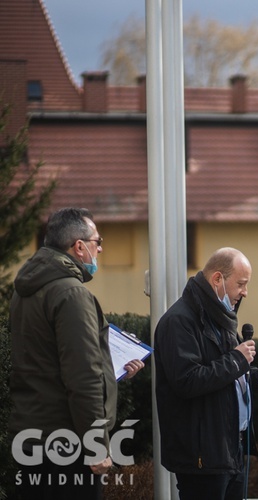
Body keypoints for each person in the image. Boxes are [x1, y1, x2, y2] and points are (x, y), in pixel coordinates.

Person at [9, 207, 144, 500]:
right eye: (98, 241)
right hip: (67, 443)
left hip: (32, 436)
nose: (101, 249)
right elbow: (82, 377)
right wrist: (96, 445)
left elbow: (45, 362)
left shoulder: (25, 290)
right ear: (79, 247)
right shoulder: (72, 294)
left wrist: (113, 370)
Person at [154, 247, 258, 500]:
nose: (245, 292)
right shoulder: (179, 321)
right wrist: (237, 358)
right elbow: (187, 381)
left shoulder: (220, 318)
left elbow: (233, 376)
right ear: (217, 279)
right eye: (241, 284)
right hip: (202, 457)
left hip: (230, 449)